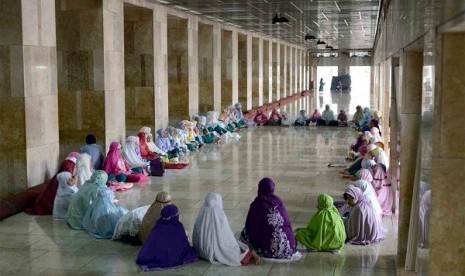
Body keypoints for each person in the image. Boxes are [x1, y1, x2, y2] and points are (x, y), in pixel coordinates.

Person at [241, 178, 300, 261]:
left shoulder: (257, 203)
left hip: (269, 249)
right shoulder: (279, 201)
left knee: (245, 235)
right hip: (289, 246)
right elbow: (287, 222)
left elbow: (250, 226)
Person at [193, 193, 261, 266]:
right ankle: (251, 255)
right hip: (216, 252)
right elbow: (227, 240)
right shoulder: (220, 218)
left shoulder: (200, 219)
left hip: (202, 252)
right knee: (237, 246)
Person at [136, 205, 198, 271]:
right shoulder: (177, 226)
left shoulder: (159, 224)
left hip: (155, 254)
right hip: (170, 256)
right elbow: (182, 244)